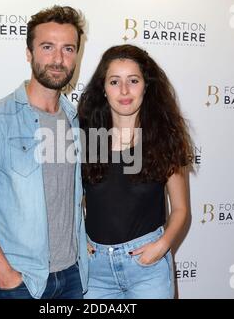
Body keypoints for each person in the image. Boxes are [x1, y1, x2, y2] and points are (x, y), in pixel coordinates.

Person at [0, 5, 88, 299]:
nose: (58, 59)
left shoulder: (75, 119)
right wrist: (4, 274)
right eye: (47, 47)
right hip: (23, 282)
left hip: (74, 277)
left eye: (68, 48)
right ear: (29, 53)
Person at [78, 44, 192, 299]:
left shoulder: (163, 139)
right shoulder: (88, 139)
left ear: (146, 86)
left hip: (147, 268)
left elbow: (182, 209)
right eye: (114, 81)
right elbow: (72, 199)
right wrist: (77, 236)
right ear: (103, 89)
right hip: (95, 272)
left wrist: (162, 246)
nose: (125, 90)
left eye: (133, 80)